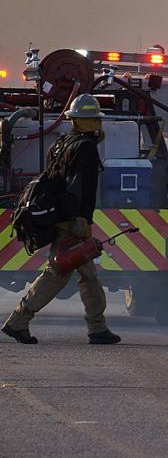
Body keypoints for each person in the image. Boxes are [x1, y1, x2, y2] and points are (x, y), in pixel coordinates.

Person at [1, 94, 121, 345]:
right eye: (91, 122)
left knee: (87, 274)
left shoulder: (64, 142)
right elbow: (80, 188)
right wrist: (80, 219)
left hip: (63, 215)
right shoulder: (86, 147)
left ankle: (97, 328)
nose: (94, 126)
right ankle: (18, 321)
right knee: (58, 271)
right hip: (72, 220)